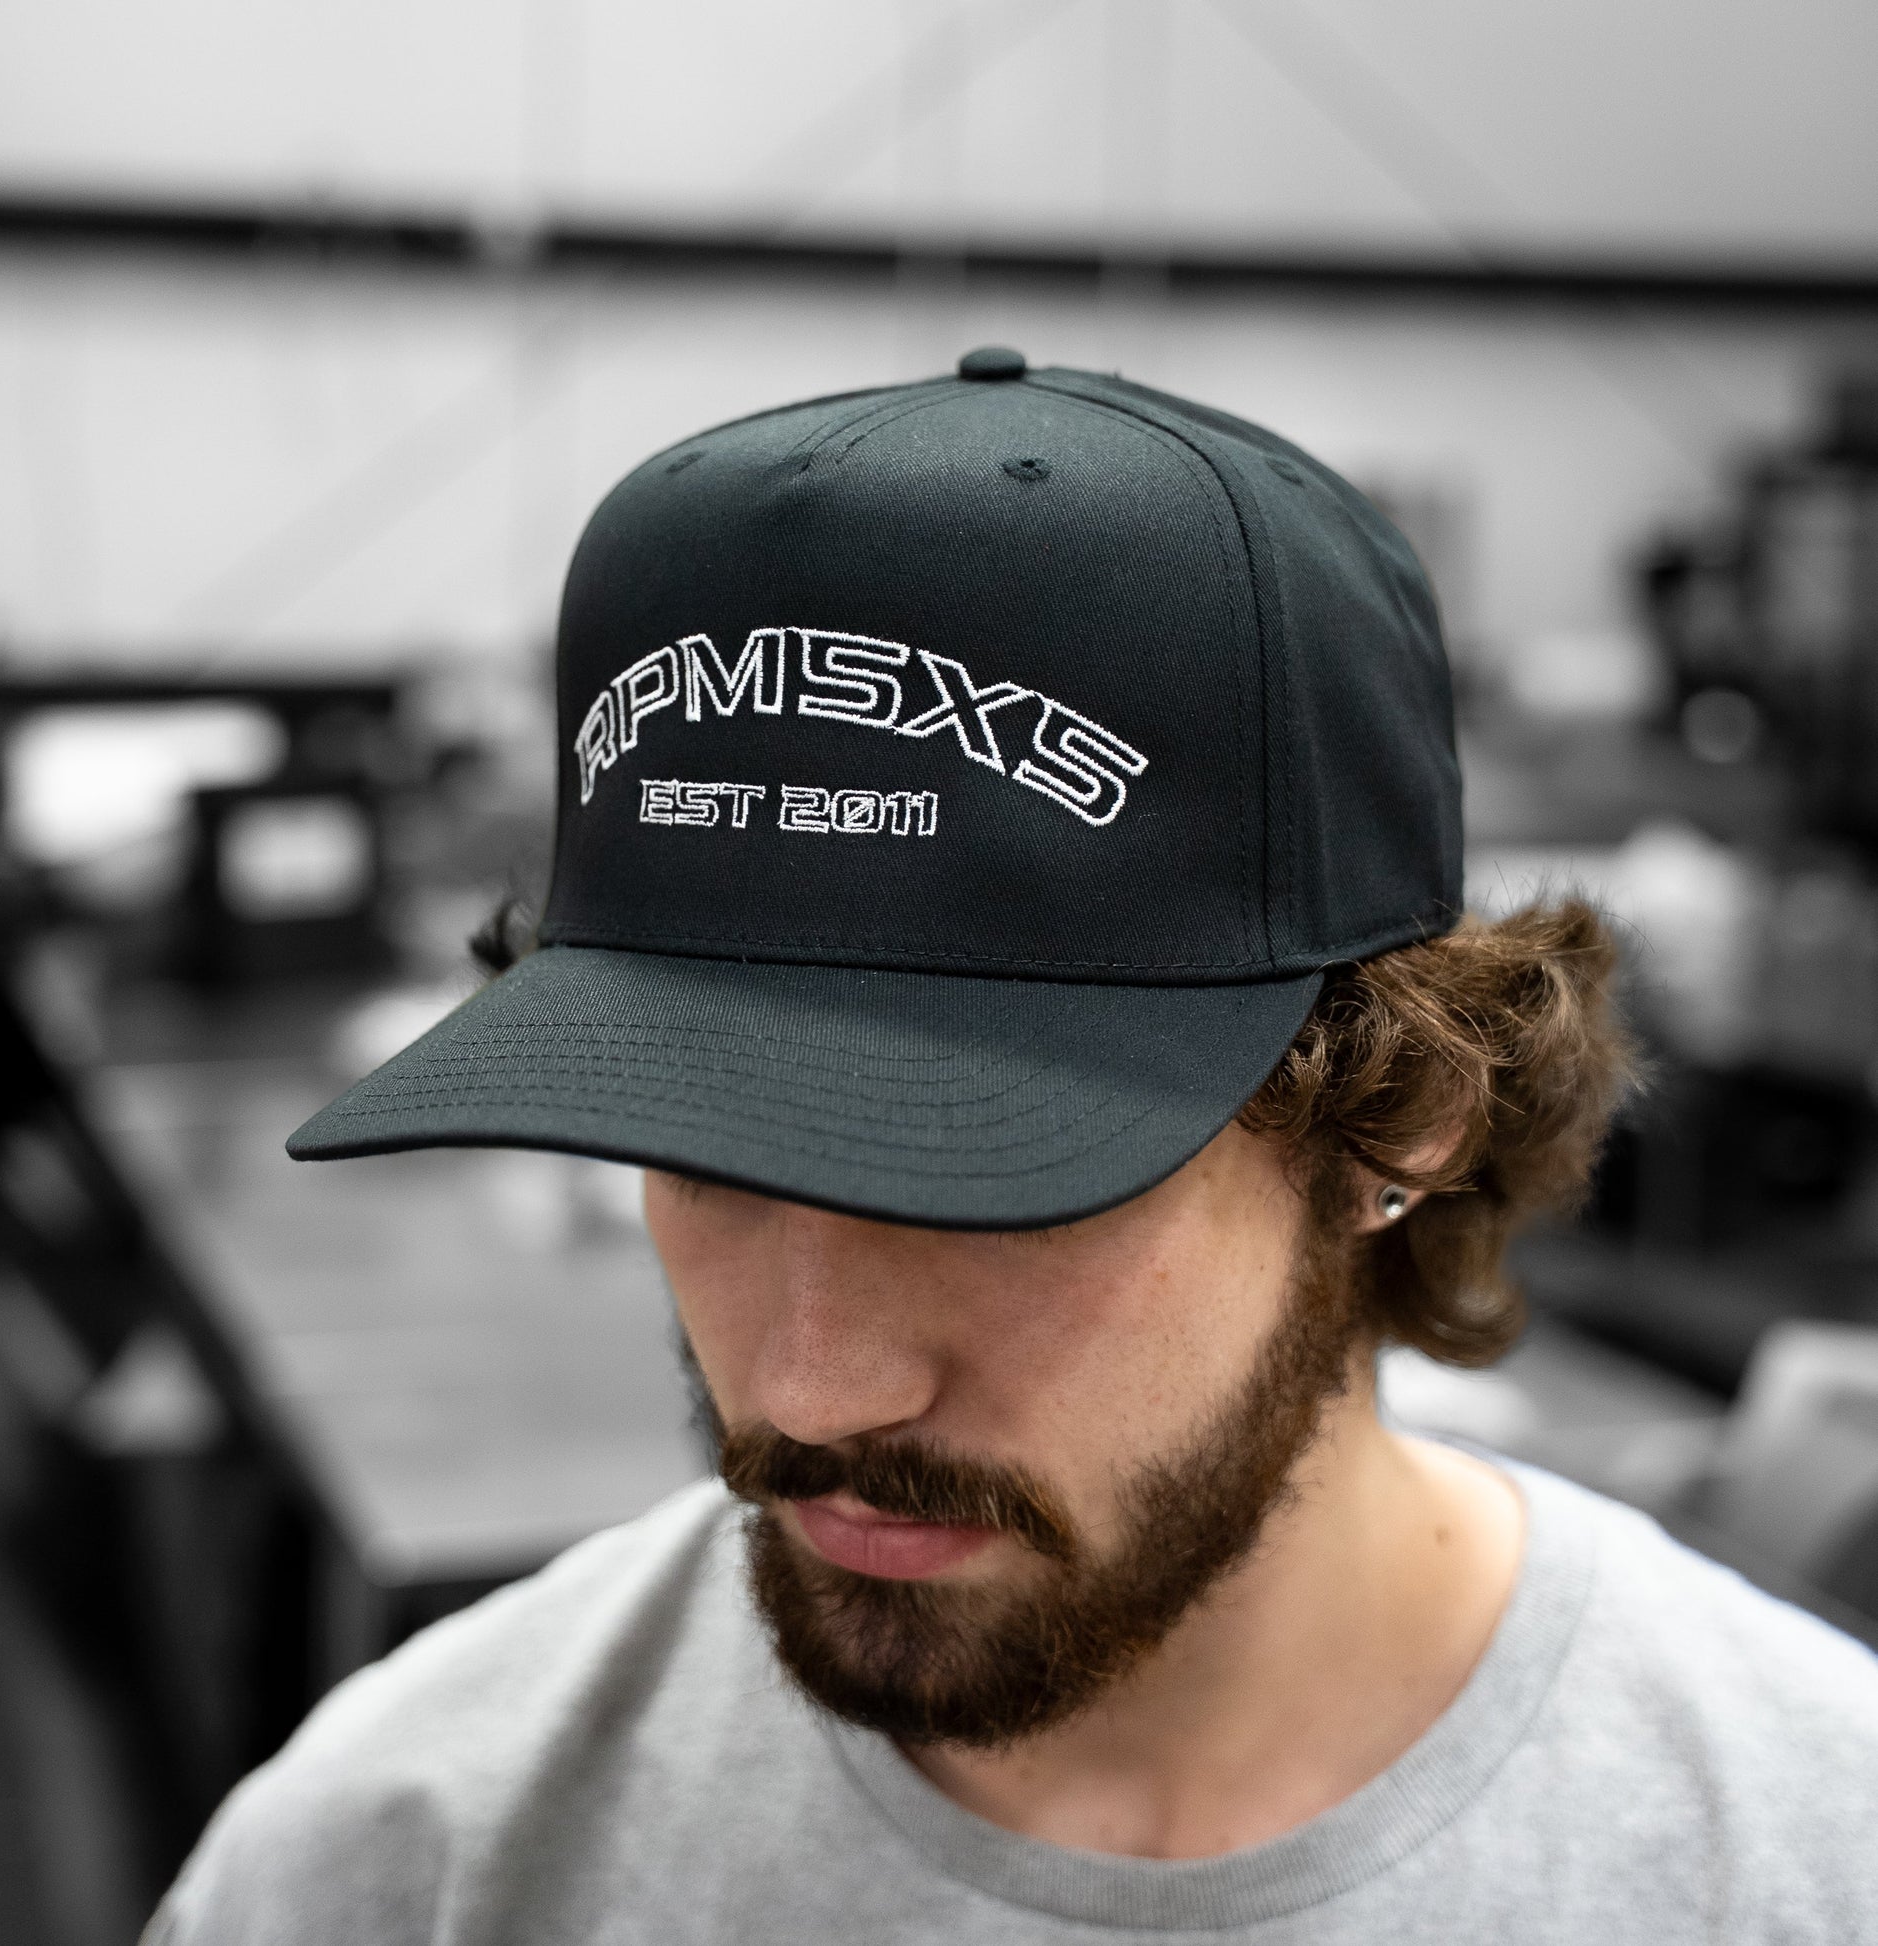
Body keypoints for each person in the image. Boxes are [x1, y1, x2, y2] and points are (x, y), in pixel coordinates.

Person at [150, 350, 1878, 1943]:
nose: (807, 1390)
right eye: (706, 1158)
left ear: (1400, 1121)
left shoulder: (1798, 1860)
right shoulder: (398, 1856)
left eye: (986, 1182)